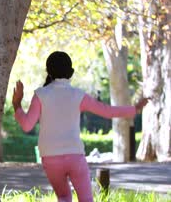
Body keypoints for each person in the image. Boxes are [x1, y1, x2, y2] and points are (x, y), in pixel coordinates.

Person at [11, 51, 148, 202]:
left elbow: (26, 125)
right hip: (75, 155)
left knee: (63, 197)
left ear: (48, 71)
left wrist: (17, 104)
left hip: (50, 157)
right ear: (71, 72)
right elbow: (107, 112)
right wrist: (135, 109)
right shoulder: (78, 95)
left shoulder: (40, 95)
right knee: (86, 199)